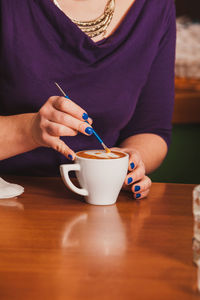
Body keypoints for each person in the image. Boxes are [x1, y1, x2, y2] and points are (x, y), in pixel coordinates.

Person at [0, 0, 176, 199]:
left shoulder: (155, 6)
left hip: (105, 209)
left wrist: (129, 162)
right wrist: (29, 130)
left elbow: (151, 130)